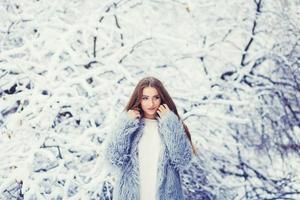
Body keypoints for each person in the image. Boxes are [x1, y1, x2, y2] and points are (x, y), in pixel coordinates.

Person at [105, 76, 195, 200]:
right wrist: (125, 124)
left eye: (156, 97)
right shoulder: (130, 125)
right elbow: (113, 158)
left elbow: (182, 160)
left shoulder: (171, 125)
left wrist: (170, 123)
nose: (151, 103)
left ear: (162, 98)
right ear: (139, 100)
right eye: (145, 98)